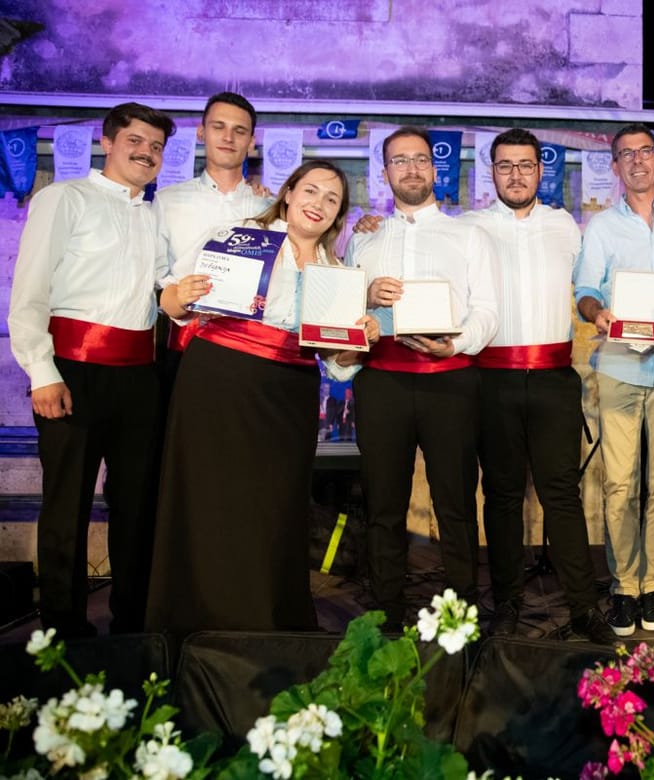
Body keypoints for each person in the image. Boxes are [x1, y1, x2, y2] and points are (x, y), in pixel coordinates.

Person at [145, 160, 377, 635]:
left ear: (338, 217)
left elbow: (336, 364)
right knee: (211, 500)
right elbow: (174, 305)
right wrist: (177, 298)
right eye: (310, 191)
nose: (319, 204)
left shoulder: (337, 271)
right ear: (288, 194)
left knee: (275, 509)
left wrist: (358, 344)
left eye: (332, 200)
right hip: (219, 380)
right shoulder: (237, 234)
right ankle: (199, 620)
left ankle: (269, 622)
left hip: (289, 393)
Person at [8, 102, 175, 638]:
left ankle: (132, 622)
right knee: (67, 503)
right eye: (135, 141)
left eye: (156, 146)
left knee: (135, 505)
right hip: (72, 373)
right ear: (108, 142)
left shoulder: (154, 216)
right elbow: (29, 290)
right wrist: (42, 371)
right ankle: (62, 628)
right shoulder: (63, 198)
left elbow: (167, 291)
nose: (146, 152)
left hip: (139, 379)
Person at [461, 128, 610, 644]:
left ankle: (584, 608)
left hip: (553, 380)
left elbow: (595, 281)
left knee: (561, 495)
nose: (516, 175)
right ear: (492, 171)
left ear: (540, 171)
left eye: (525, 165)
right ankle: (506, 604)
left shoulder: (564, 225)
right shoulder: (471, 227)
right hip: (490, 379)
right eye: (506, 166)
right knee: (501, 497)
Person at [347, 126, 498, 627]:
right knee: (383, 504)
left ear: (435, 169)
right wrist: (364, 297)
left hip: (450, 379)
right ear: (385, 172)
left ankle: (459, 617)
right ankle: (387, 615)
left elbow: (488, 310)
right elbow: (343, 313)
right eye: (399, 161)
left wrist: (456, 343)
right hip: (382, 382)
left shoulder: (468, 235)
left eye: (420, 160)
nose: (411, 168)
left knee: (454, 504)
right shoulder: (364, 239)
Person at [573, 123, 654, 636]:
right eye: (625, 154)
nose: (637, 161)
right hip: (622, 364)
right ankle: (624, 587)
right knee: (621, 483)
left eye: (645, 152)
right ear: (616, 167)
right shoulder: (603, 227)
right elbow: (585, 288)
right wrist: (597, 312)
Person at [154, 92, 269, 379]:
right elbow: (155, 281)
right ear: (202, 132)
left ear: (251, 141)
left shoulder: (271, 207)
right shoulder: (167, 201)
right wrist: (179, 297)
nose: (228, 137)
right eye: (219, 127)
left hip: (255, 352)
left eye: (239, 130)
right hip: (185, 349)